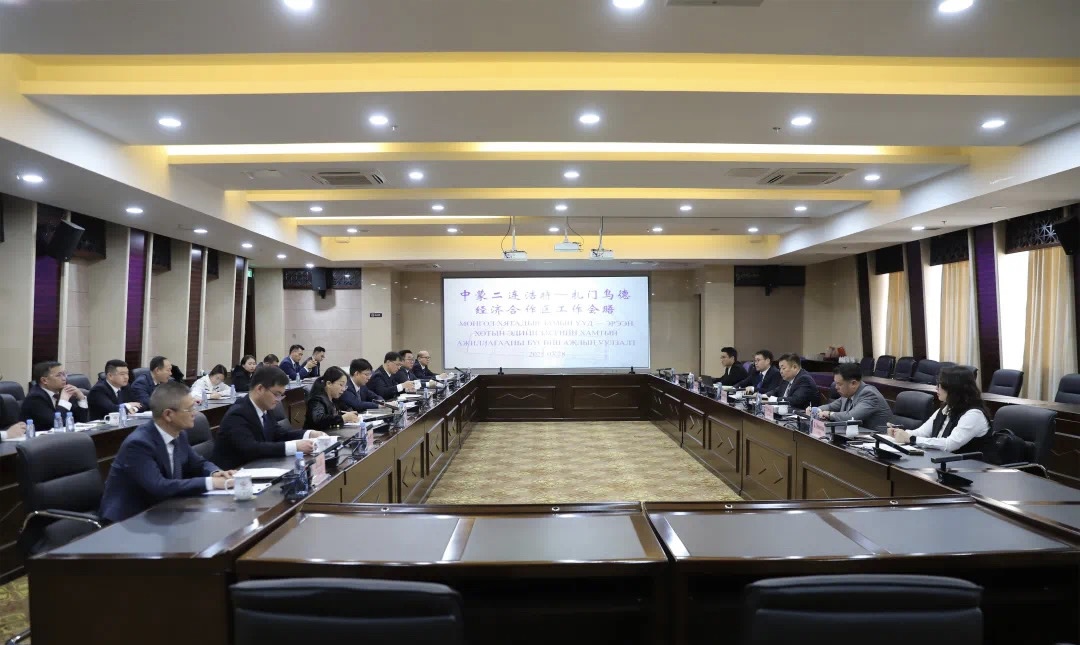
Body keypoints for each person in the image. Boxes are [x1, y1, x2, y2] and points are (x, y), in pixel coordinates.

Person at [98, 381, 236, 524]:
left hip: (162, 509)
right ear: (168, 414)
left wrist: (216, 473)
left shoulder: (179, 434)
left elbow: (198, 463)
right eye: (190, 409)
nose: (195, 412)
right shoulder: (138, 444)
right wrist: (212, 483)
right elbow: (159, 486)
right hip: (127, 520)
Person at [212, 365, 327, 470]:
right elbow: (251, 448)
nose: (278, 400)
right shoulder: (238, 413)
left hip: (259, 467)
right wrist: (295, 447)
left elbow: (279, 435)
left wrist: (309, 434)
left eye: (281, 395)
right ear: (260, 389)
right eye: (276, 394)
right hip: (234, 476)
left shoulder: (266, 409)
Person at [887, 366, 991, 453]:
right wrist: (899, 433)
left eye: (940, 385)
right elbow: (922, 432)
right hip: (942, 460)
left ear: (954, 389)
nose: (936, 388)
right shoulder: (946, 408)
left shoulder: (974, 414)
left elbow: (950, 444)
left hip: (966, 466)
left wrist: (911, 439)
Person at [813, 363, 892, 431]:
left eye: (839, 384)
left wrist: (830, 414)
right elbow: (831, 406)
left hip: (876, 439)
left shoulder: (869, 394)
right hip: (856, 436)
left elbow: (851, 417)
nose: (836, 387)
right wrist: (816, 410)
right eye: (836, 383)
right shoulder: (847, 394)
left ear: (853, 383)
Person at [20, 361, 89, 430]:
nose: (64, 378)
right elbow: (56, 424)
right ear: (44, 380)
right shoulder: (35, 398)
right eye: (59, 375)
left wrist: (81, 398)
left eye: (64, 374)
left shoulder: (62, 391)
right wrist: (64, 401)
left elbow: (81, 421)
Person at [304, 366, 360, 431]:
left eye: (345, 386)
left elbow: (335, 415)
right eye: (341, 385)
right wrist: (342, 418)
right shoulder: (317, 400)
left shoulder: (335, 399)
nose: (343, 389)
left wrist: (347, 414)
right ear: (329, 384)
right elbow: (319, 420)